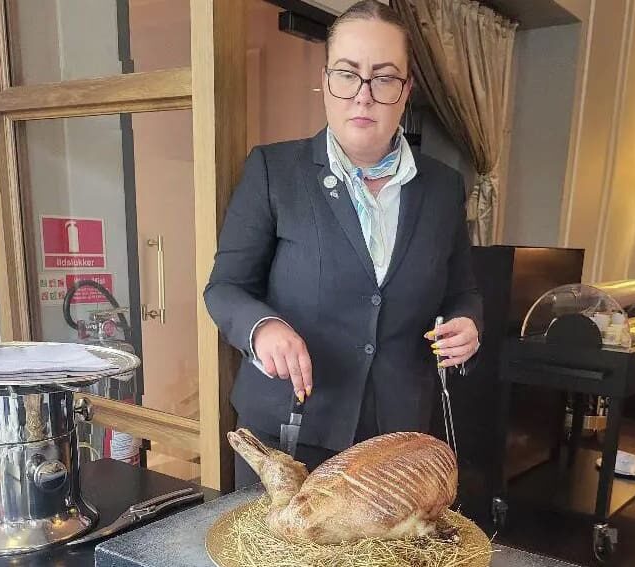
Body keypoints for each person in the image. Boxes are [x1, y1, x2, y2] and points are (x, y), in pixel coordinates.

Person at [205, 0, 482, 489]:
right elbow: (225, 288)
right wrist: (263, 327)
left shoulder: (442, 188)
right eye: (348, 74)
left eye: (385, 77)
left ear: (406, 91)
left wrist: (467, 324)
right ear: (326, 81)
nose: (364, 96)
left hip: (396, 440)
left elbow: (462, 290)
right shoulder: (274, 171)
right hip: (288, 432)